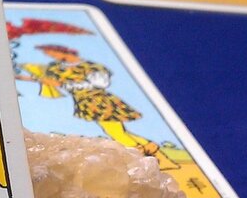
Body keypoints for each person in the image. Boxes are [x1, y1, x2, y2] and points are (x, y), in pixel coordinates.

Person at [20, 44, 178, 170]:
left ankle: (144, 160)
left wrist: (65, 83)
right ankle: (159, 158)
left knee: (116, 132)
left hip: (100, 101)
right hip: (85, 102)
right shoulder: (58, 68)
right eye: (49, 55)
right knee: (120, 131)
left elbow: (100, 83)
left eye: (53, 53)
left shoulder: (91, 66)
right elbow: (49, 80)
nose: (52, 56)